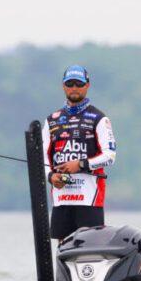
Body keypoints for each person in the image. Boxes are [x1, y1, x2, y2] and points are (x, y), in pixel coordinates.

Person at [43, 65, 116, 241]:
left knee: (90, 249)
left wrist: (81, 164)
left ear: (87, 85)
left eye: (79, 83)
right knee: (63, 250)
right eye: (70, 83)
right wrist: (51, 176)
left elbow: (110, 156)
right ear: (63, 86)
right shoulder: (51, 120)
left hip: (89, 198)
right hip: (62, 198)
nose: (74, 88)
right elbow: (42, 157)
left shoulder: (99, 118)